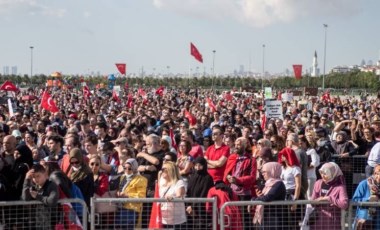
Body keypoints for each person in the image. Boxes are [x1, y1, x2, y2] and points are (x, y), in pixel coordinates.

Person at [311, 162, 349, 230]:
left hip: (332, 222)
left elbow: (344, 204)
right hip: (317, 221)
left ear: (333, 174)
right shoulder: (318, 183)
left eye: (325, 174)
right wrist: (315, 201)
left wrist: (329, 198)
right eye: (321, 173)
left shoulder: (340, 187)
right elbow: (312, 201)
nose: (322, 175)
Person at [22, 164, 59, 229]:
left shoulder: (52, 185)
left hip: (50, 224)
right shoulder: (33, 187)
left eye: (38, 176)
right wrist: (27, 179)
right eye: (33, 177)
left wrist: (37, 196)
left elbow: (52, 201)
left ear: (44, 174)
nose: (35, 179)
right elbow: (25, 198)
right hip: (36, 224)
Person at [250, 162, 286, 228]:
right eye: (262, 172)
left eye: (265, 172)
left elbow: (268, 197)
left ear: (272, 171)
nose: (262, 174)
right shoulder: (268, 184)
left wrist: (254, 200)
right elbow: (265, 197)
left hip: (273, 217)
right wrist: (259, 196)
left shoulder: (278, 184)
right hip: (266, 216)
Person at [115, 158, 147, 229]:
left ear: (135, 168)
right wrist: (118, 193)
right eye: (125, 168)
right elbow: (120, 188)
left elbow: (141, 196)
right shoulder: (123, 177)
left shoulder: (141, 179)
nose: (127, 170)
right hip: (120, 208)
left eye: (129, 169)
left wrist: (127, 196)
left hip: (131, 209)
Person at [186, 157, 214, 229]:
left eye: (200, 165)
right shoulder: (192, 176)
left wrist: (194, 207)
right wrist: (188, 206)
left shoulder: (208, 178)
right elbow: (188, 192)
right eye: (196, 165)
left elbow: (204, 194)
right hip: (190, 209)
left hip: (201, 210)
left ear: (204, 166)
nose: (197, 168)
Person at [158, 161, 187, 229]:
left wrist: (173, 197)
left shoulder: (179, 182)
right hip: (163, 219)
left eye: (163, 170)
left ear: (170, 171)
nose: (161, 171)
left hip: (176, 221)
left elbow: (179, 195)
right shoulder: (162, 183)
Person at [352, 165, 380, 229]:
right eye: (378, 174)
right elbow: (354, 200)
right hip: (364, 218)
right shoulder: (364, 184)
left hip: (377, 220)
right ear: (375, 174)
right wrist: (368, 200)